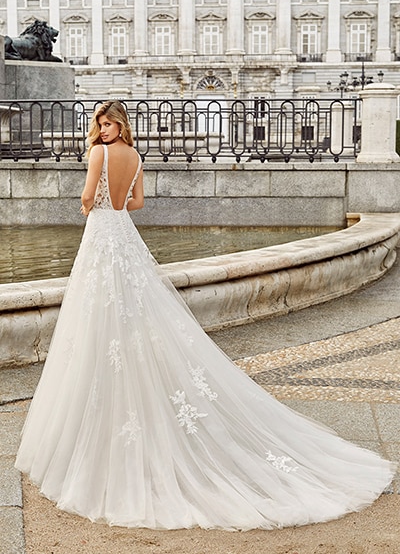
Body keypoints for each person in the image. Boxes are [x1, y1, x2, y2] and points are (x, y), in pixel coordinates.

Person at [15, 100, 396, 531]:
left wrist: (91, 204)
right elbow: (136, 202)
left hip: (101, 234)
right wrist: (113, 203)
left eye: (108, 123)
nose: (103, 130)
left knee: (96, 317)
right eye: (100, 124)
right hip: (123, 233)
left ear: (119, 125)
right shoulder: (135, 156)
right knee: (133, 314)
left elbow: (87, 196)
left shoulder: (98, 153)